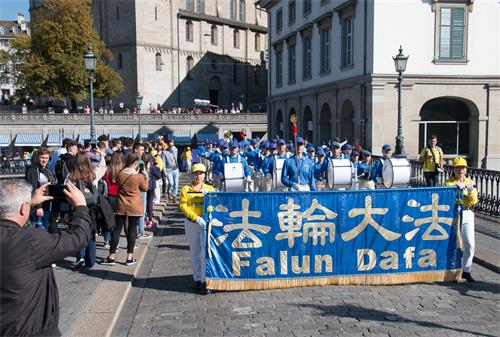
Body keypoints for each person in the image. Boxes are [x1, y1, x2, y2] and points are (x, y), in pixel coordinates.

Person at [0, 180, 90, 337]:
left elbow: (11, 225)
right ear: (23, 208)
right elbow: (78, 237)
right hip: (30, 330)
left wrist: (30, 204)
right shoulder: (31, 241)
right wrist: (81, 207)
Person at [102, 153, 149, 266]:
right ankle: (129, 257)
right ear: (135, 163)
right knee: (132, 230)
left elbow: (117, 183)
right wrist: (145, 175)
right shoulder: (138, 177)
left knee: (117, 230)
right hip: (134, 205)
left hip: (121, 204)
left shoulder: (120, 174)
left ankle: (111, 256)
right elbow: (145, 188)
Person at [179, 163, 216, 295]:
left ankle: (207, 280)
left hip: (206, 224)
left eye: (201, 173)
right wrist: (195, 218)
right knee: (195, 252)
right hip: (192, 223)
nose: (198, 175)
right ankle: (197, 279)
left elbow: (216, 204)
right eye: (196, 173)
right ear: (192, 174)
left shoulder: (210, 189)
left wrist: (209, 209)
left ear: (205, 174)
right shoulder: (185, 189)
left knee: (205, 253)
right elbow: (184, 206)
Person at [444, 157, 478, 282]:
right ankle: (453, 271)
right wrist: (456, 188)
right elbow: (447, 197)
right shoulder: (448, 182)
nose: (460, 170)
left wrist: (470, 192)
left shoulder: (470, 181)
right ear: (454, 169)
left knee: (470, 244)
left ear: (466, 169)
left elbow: (474, 200)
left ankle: (467, 270)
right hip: (455, 214)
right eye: (458, 167)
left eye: (463, 168)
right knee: (455, 243)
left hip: (467, 212)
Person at [24, 148, 57, 232]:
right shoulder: (33, 169)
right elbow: (32, 188)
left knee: (46, 228)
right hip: (38, 205)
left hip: (47, 204)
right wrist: (38, 207)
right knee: (40, 229)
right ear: (37, 157)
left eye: (46, 158)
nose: (44, 160)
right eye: (42, 157)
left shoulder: (46, 169)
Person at [162, 138, 180, 202]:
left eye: (172, 145)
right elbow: (163, 163)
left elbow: (175, 151)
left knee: (176, 183)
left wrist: (172, 148)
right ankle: (169, 191)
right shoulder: (164, 152)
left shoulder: (175, 150)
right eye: (170, 145)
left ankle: (174, 195)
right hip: (168, 169)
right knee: (171, 183)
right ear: (167, 144)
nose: (171, 146)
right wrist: (164, 171)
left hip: (176, 168)